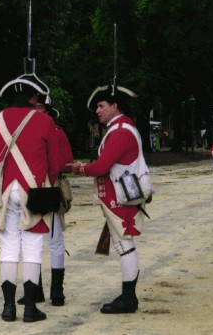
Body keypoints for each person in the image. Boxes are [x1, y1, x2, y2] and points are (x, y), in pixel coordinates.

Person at [0, 75, 60, 323]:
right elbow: (56, 164)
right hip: (34, 192)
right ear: (34, 98)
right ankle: (29, 309)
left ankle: (8, 308)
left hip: (6, 193)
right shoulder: (44, 120)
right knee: (33, 248)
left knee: (8, 248)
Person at [71, 84, 149, 314]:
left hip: (121, 196)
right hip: (118, 195)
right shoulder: (120, 128)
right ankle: (128, 296)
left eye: (101, 105)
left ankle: (128, 298)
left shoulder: (121, 131)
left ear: (115, 106)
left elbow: (102, 166)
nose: (97, 110)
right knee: (123, 245)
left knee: (124, 246)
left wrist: (79, 168)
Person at [17, 99, 74, 307]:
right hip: (29, 190)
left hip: (51, 189)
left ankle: (57, 292)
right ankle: (35, 289)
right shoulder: (24, 131)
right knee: (32, 241)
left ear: (48, 110)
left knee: (55, 240)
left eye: (40, 107)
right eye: (34, 108)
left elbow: (67, 161)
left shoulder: (57, 131)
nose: (37, 111)